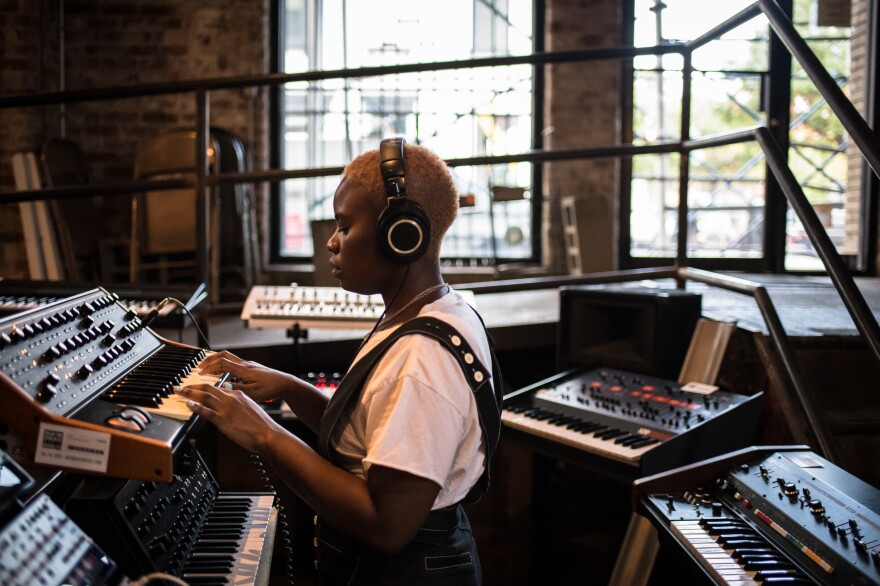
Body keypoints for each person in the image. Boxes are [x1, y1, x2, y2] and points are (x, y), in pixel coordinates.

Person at [177, 137, 502, 585]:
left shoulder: (421, 363)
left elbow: (386, 526)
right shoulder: (428, 309)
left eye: (345, 227)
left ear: (401, 236)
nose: (331, 242)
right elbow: (372, 435)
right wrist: (289, 386)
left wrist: (265, 434)